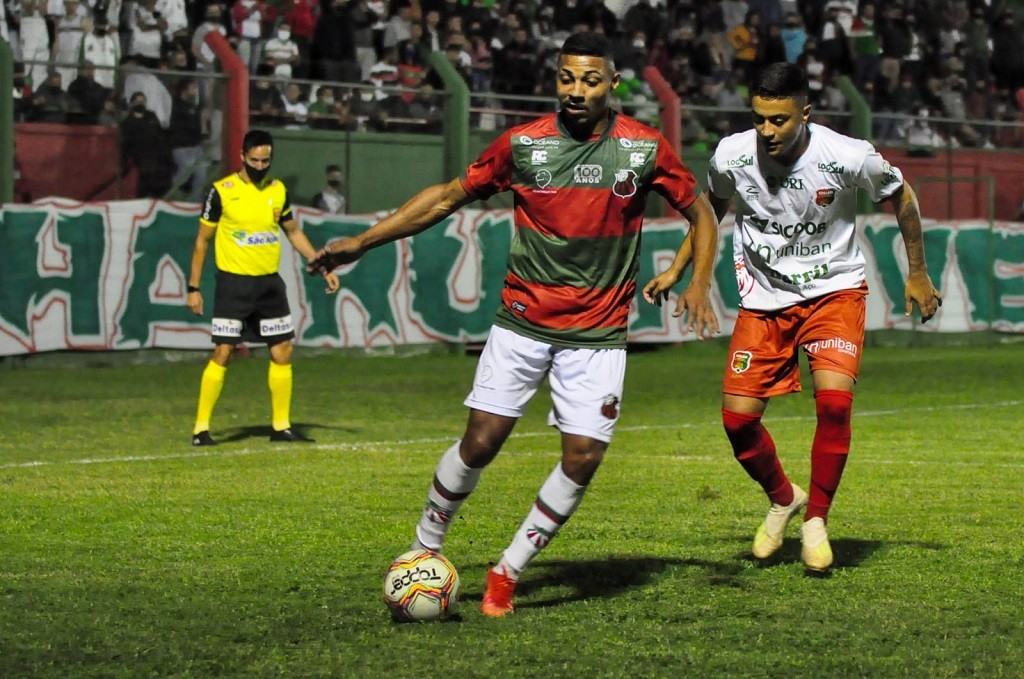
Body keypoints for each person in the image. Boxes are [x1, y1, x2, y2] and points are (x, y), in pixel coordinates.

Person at [307, 32, 719, 617]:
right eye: (567, 78)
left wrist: (696, 280)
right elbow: (446, 198)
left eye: (591, 80)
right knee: (480, 443)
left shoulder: (644, 147)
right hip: (523, 323)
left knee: (583, 456)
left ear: (612, 84)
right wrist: (363, 242)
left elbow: (701, 212)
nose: (576, 90)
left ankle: (508, 570)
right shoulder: (523, 144)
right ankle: (425, 547)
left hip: (598, 334)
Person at [644, 62, 942, 573]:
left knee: (835, 404)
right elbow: (709, 212)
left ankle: (817, 519)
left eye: (778, 120)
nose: (767, 130)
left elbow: (901, 195)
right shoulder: (732, 154)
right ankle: (784, 498)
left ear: (805, 113)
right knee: (738, 421)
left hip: (834, 291)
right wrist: (679, 268)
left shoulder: (847, 155)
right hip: (764, 299)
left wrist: (918, 271)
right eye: (759, 118)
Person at [187, 129, 340, 446]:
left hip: (269, 285)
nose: (259, 166)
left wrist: (321, 263)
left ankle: (281, 427)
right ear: (242, 157)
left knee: (283, 351)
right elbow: (202, 241)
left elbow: (292, 231)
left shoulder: (277, 190)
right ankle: (201, 430)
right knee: (223, 352)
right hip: (233, 284)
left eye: (265, 161)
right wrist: (194, 287)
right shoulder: (221, 191)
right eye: (254, 160)